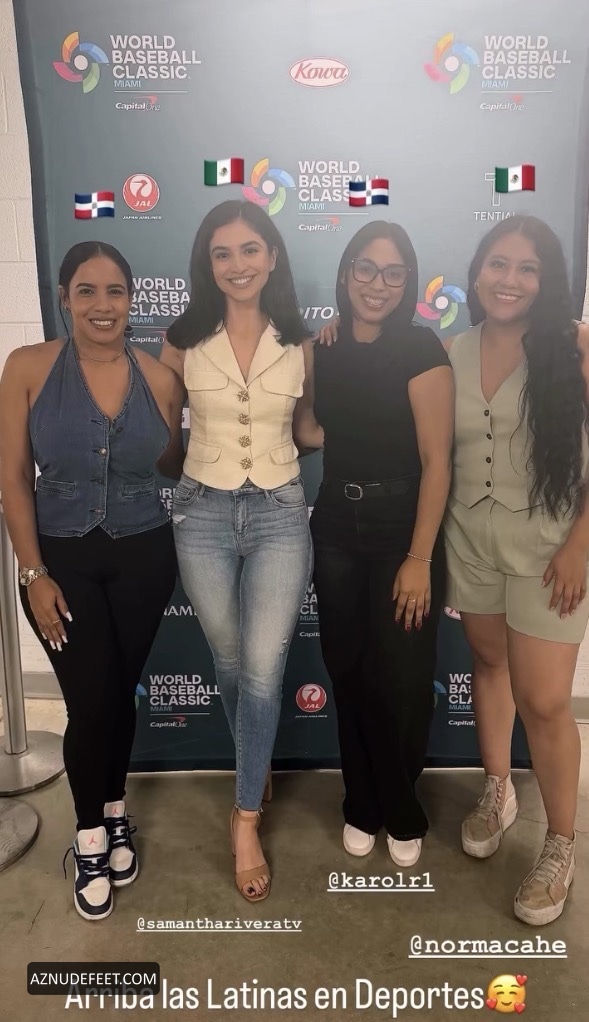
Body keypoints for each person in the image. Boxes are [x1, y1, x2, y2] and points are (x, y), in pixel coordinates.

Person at [0, 241, 185, 921]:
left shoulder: (160, 378)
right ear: (64, 297)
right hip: (59, 562)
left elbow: (173, 465)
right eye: (86, 291)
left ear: (131, 299)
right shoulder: (27, 367)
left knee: (118, 695)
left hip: (145, 556)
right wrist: (33, 572)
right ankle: (88, 838)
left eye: (115, 291)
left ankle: (113, 811)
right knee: (89, 700)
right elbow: (13, 478)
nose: (102, 305)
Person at [160, 200, 318, 902]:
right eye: (222, 253)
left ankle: (245, 815)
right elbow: (163, 435)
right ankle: (256, 762)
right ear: (208, 264)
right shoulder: (180, 340)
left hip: (281, 510)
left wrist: (374, 427)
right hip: (201, 510)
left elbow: (308, 430)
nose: (237, 264)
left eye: (250, 249)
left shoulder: (302, 341)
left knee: (260, 669)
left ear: (272, 256)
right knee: (227, 660)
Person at [444, 215, 589, 925]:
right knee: (489, 661)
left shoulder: (577, 348)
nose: (509, 279)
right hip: (469, 540)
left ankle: (560, 843)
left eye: (526, 268)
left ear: (546, 280)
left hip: (549, 548)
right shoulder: (450, 350)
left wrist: (580, 543)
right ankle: (497, 788)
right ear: (476, 273)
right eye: (497, 264)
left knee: (546, 701)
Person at [312, 221, 454, 866]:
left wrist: (419, 558)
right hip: (335, 527)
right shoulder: (326, 347)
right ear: (346, 274)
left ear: (408, 282)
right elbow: (311, 431)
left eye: (394, 273)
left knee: (402, 676)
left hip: (403, 531)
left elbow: (437, 461)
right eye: (365, 268)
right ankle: (360, 803)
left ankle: (400, 808)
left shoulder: (422, 348)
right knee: (349, 670)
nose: (378, 283)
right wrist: (314, 357)